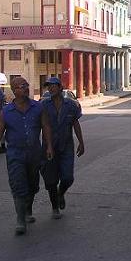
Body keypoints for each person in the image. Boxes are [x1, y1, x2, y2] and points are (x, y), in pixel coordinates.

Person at [0, 77, 54, 235]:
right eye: (22, 86)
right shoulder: (6, 112)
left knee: (33, 185)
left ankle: (28, 209)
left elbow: (46, 126)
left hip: (34, 153)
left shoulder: (38, 107)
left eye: (27, 85)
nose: (26, 88)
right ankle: (20, 220)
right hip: (15, 154)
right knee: (18, 185)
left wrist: (49, 146)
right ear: (14, 91)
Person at [41, 77, 84, 219]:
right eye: (48, 86)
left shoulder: (71, 105)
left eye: (53, 86)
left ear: (60, 87)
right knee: (51, 180)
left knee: (68, 177)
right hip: (49, 147)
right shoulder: (44, 105)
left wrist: (81, 142)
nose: (50, 88)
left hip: (66, 146)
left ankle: (61, 193)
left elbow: (75, 123)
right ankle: (55, 207)